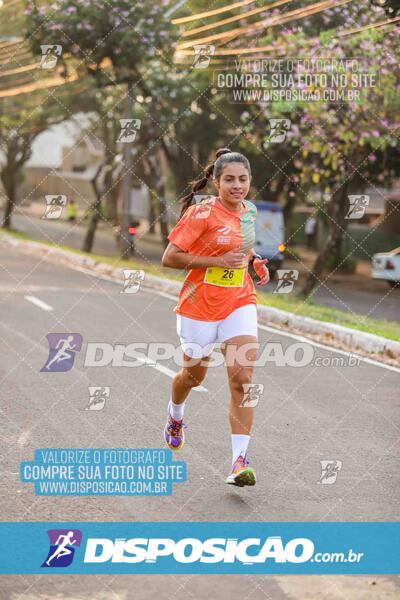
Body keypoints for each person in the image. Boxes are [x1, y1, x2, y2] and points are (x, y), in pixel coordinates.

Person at [161, 148, 269, 487]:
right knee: (193, 377)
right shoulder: (201, 213)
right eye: (229, 180)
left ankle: (240, 461)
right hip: (199, 306)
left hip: (239, 301)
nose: (237, 186)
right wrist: (217, 262)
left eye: (243, 179)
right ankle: (175, 414)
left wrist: (254, 262)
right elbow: (170, 257)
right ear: (216, 181)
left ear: (250, 181)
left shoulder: (250, 210)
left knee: (243, 378)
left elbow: (243, 245)